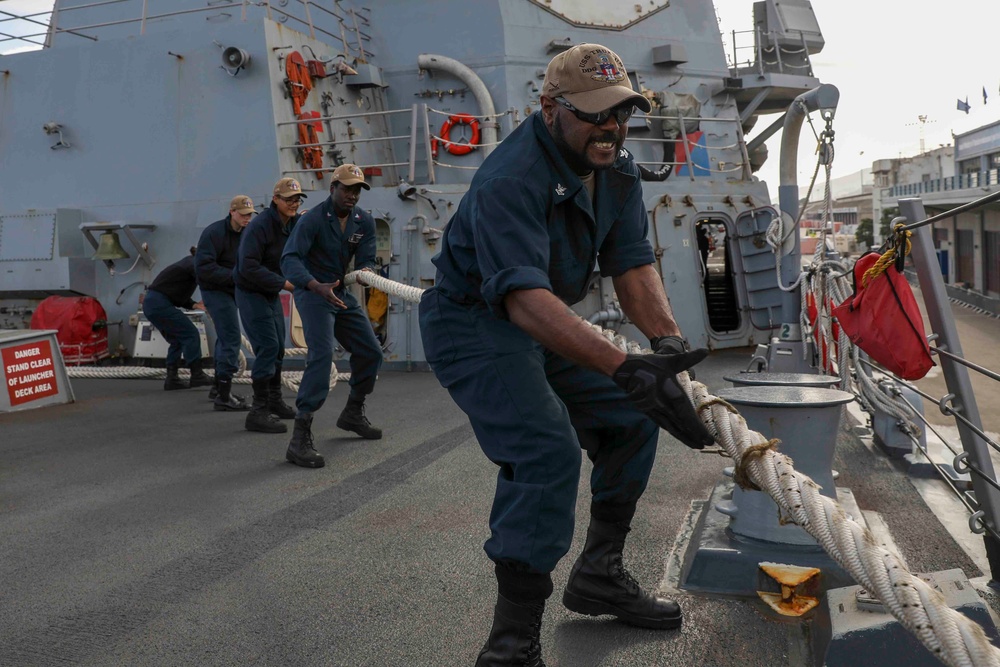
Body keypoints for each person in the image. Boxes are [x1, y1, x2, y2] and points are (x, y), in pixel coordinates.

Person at [417, 43, 715, 666]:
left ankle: (600, 573)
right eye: (595, 115)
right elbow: (522, 300)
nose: (611, 127)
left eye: (621, 113)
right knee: (545, 449)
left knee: (631, 414)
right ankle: (510, 644)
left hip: (542, 318)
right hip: (476, 324)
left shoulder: (618, 168)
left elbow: (631, 263)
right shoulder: (510, 178)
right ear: (549, 107)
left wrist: (663, 347)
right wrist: (626, 366)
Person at [281, 164, 384, 469]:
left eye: (357, 190)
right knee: (323, 355)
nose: (352, 195)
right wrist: (314, 285)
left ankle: (353, 412)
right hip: (313, 291)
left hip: (339, 291)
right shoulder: (312, 219)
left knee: (371, 352)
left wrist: (367, 271)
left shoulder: (363, 221)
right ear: (333, 188)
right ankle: (299, 438)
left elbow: (366, 257)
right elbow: (290, 260)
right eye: (347, 189)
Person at [234, 178, 303, 434]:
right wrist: (286, 284)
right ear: (275, 199)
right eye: (288, 199)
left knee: (278, 348)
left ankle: (274, 401)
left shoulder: (293, 223)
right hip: (251, 291)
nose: (293, 203)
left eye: (297, 199)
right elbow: (248, 266)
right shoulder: (260, 226)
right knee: (268, 347)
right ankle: (258, 412)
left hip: (270, 291)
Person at [195, 195, 259, 412]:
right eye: (243, 215)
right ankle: (223, 397)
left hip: (235, 289)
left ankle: (218, 389)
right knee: (231, 336)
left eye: (250, 215)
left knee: (224, 337)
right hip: (215, 290)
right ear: (232, 212)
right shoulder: (213, 233)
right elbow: (203, 268)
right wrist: (237, 276)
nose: (247, 219)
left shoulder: (249, 232)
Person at [142, 247, 213, 391]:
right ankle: (197, 374)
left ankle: (171, 379)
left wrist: (193, 304)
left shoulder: (187, 264)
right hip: (159, 303)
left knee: (177, 340)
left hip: (152, 303)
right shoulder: (193, 264)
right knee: (191, 334)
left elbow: (174, 291)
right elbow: (206, 281)